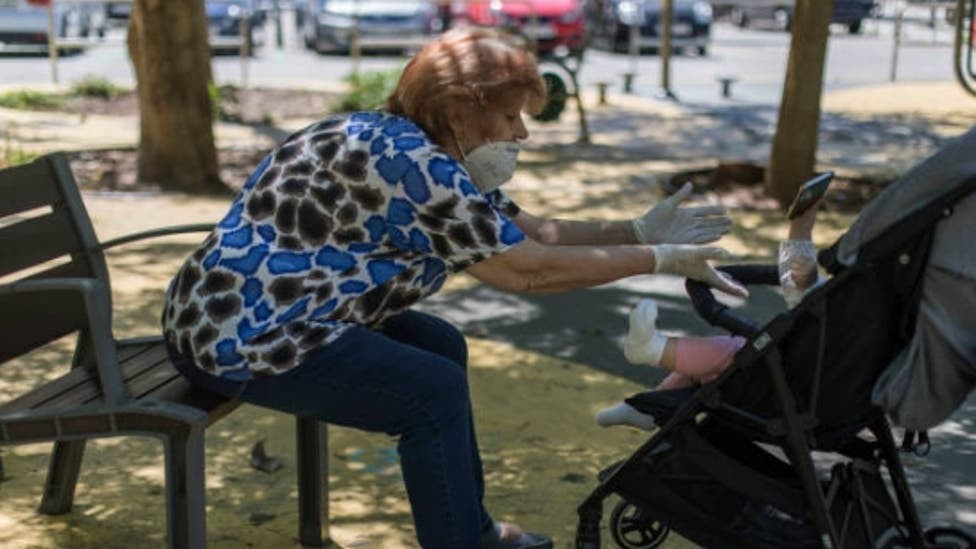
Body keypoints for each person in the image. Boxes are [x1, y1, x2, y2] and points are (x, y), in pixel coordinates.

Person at [161, 27, 744, 549]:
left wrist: (637, 229)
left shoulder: (413, 146)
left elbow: (530, 231)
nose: (521, 133)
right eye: (512, 116)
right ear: (462, 111)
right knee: (431, 392)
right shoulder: (417, 168)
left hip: (253, 312)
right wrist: (658, 258)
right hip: (239, 338)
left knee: (441, 348)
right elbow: (528, 269)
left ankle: (472, 528)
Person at [596, 198, 822, 431]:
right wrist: (801, 228)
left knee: (737, 351)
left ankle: (655, 351)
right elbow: (810, 293)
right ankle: (647, 408)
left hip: (791, 388)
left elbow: (809, 296)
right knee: (720, 362)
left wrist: (800, 231)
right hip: (811, 379)